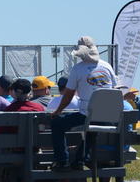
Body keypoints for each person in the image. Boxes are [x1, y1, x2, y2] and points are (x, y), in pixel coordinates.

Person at [50, 36, 118, 170]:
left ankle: (62, 161)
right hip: (108, 117)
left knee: (57, 124)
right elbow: (114, 89)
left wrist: (58, 111)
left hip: (88, 114)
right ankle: (80, 160)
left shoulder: (78, 69)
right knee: (93, 127)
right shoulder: (107, 66)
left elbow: (68, 95)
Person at [0, 78, 45, 182]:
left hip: (14, 154)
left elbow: (0, 135)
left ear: (14, 92)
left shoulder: (10, 109)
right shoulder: (39, 108)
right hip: (35, 152)